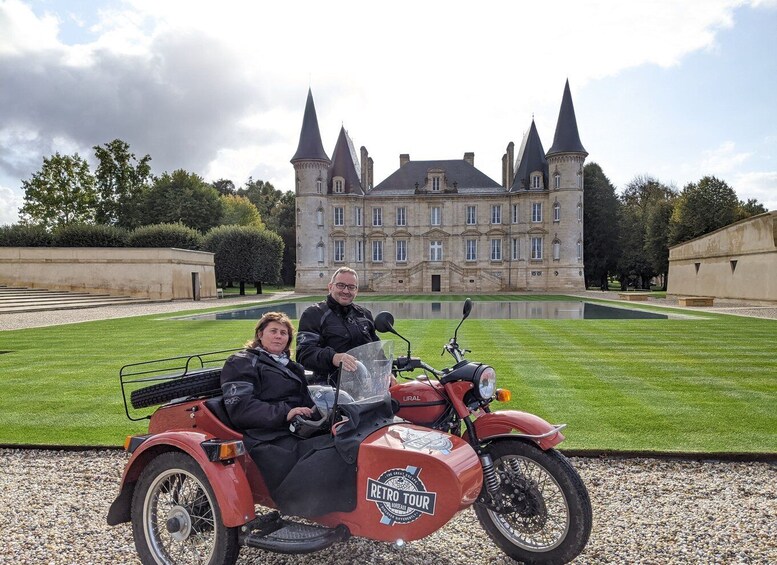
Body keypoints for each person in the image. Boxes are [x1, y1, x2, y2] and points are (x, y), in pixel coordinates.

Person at [220, 311, 355, 517]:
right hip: (266, 435)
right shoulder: (242, 362)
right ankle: (307, 508)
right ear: (260, 334)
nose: (278, 336)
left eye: (284, 333)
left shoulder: (291, 366)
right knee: (329, 453)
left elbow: (307, 398)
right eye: (273, 331)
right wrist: (286, 412)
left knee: (348, 439)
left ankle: (343, 505)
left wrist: (331, 408)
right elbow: (241, 407)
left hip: (297, 428)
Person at [296, 267, 379, 383]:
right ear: (330, 287)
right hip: (329, 388)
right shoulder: (314, 314)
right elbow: (304, 354)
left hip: (365, 387)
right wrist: (333, 357)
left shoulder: (364, 315)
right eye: (340, 285)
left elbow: (376, 350)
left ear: (356, 291)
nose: (346, 291)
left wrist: (387, 372)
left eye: (351, 287)